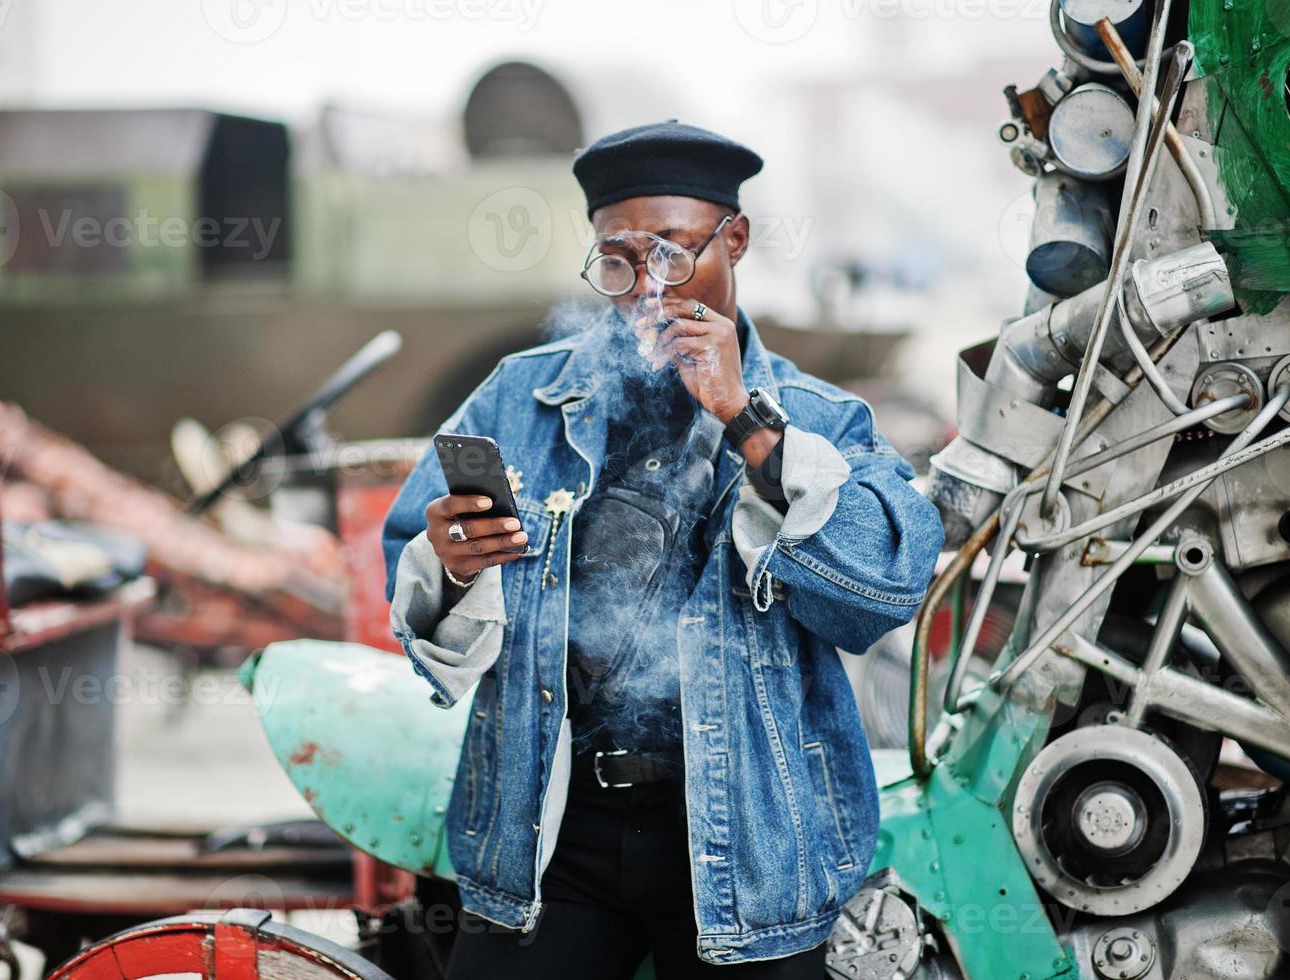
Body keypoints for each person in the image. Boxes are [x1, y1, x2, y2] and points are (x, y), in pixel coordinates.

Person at [382, 120, 944, 978]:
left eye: (676, 254)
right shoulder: (519, 396)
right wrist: (452, 566)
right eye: (619, 261)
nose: (648, 287)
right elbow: (413, 578)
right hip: (550, 830)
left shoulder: (821, 416)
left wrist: (744, 420)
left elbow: (878, 593)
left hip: (752, 835)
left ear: (736, 240)